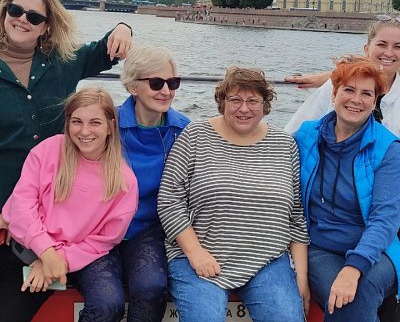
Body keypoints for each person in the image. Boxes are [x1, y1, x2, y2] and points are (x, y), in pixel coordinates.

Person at [158, 66, 310, 322]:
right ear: (222, 101)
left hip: (267, 260)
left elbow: (296, 216)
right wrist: (195, 253)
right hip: (200, 255)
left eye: (253, 101)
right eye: (235, 100)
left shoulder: (285, 145)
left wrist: (302, 278)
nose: (244, 108)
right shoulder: (194, 136)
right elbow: (169, 200)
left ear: (265, 104)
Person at [0, 88, 139, 322]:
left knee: (108, 305)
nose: (84, 131)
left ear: (110, 127)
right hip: (27, 248)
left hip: (74, 259)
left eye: (95, 122)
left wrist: (57, 260)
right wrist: (46, 252)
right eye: (77, 121)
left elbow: (105, 239)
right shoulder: (48, 149)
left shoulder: (124, 181)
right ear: (68, 123)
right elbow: (22, 205)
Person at [0, 0, 133, 210]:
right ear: (5, 13)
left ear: (45, 27)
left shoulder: (63, 61)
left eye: (34, 17)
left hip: (54, 197)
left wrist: (123, 27)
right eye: (15, 10)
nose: (22, 19)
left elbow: (105, 51)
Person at [294, 57, 400, 321]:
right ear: (334, 94)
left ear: (375, 102)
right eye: (349, 90)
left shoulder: (389, 149)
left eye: (366, 94)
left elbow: (384, 219)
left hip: (377, 249)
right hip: (321, 247)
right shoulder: (306, 136)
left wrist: (354, 267)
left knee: (359, 292)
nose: (356, 100)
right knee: (341, 300)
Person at [117, 47, 190, 322]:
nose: (166, 91)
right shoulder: (108, 125)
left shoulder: (184, 130)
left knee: (152, 287)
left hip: (150, 229)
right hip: (101, 226)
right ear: (132, 87)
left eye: (173, 83)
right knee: (105, 299)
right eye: (156, 83)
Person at [285, 17, 400, 136]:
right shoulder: (336, 84)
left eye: (398, 47)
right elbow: (296, 130)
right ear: (366, 49)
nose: (389, 53)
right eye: (382, 45)